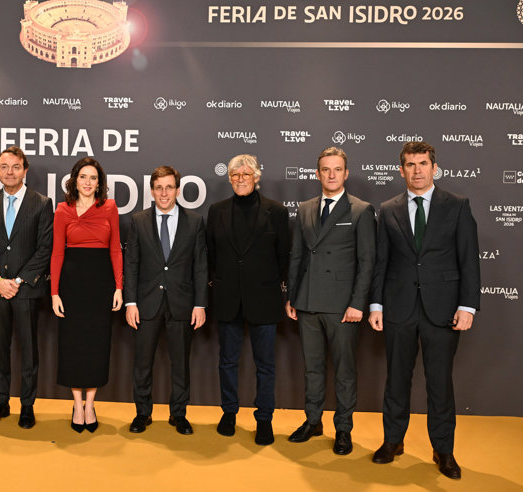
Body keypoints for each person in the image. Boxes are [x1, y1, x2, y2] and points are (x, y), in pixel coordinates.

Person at [368, 142, 479, 480]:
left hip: (443, 309)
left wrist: (467, 305)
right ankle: (393, 441)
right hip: (398, 307)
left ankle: (443, 450)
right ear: (401, 170)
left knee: (440, 383)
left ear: (434, 167)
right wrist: (376, 304)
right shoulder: (388, 209)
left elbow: (469, 259)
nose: (417, 170)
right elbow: (381, 261)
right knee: (396, 379)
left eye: (423, 163)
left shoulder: (457, 205)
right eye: (410, 164)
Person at [285, 147, 376, 455]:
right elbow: (297, 256)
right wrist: (292, 296)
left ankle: (343, 429)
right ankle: (313, 421)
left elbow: (367, 262)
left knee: (344, 370)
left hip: (342, 306)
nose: (332, 174)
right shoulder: (305, 208)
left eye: (337, 169)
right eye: (326, 169)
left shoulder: (361, 210)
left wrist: (358, 304)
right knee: (312, 368)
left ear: (346, 173)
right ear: (318, 173)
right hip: (308, 302)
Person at [207, 153, 289, 445]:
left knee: (265, 364)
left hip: (264, 298)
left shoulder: (276, 211)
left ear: (257, 177)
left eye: (246, 174)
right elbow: (211, 254)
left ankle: (264, 419)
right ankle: (229, 412)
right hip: (227, 297)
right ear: (229, 178)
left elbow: (283, 256)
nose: (240, 179)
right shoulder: (216, 211)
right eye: (235, 174)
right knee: (227, 361)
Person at [124, 166, 207, 435]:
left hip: (182, 303)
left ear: (178, 190)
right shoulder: (138, 221)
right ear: (151, 191)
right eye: (159, 187)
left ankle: (178, 415)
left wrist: (200, 304)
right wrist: (130, 302)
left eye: (169, 187)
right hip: (146, 303)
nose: (164, 193)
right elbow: (131, 263)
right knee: (142, 363)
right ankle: (142, 413)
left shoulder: (195, 222)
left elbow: (200, 266)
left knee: (180, 364)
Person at [0, 146, 53, 429]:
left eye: (16, 167)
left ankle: (27, 406)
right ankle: (0, 402)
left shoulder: (41, 203)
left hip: (26, 291)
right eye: (4, 167)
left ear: (25, 170)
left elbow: (44, 248)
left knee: (29, 351)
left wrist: (18, 281)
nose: (10, 172)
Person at [50, 157, 123, 433]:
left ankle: (90, 404)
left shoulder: (110, 207)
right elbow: (57, 253)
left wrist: (119, 287)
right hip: (72, 286)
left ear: (99, 183)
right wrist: (54, 292)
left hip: (101, 285)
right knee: (73, 344)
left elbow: (115, 249)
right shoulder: (62, 210)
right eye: (83, 177)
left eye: (93, 178)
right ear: (75, 180)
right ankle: (77, 404)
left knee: (96, 344)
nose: (88, 182)